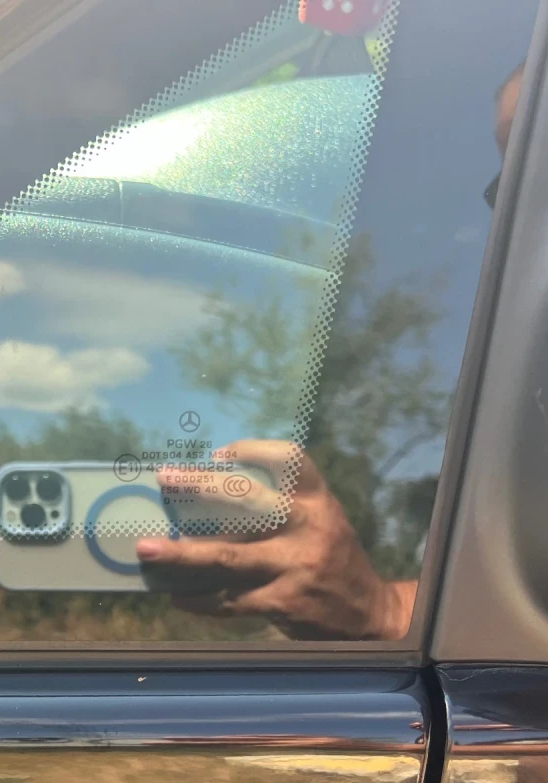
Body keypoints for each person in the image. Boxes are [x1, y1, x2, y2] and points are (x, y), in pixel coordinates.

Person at [135, 62, 527, 641]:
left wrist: (383, 611)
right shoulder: (514, 359)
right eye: (506, 181)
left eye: (543, 163)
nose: (516, 206)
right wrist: (379, 607)